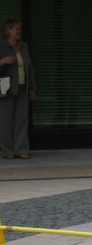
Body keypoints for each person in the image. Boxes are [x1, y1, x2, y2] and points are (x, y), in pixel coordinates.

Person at [0, 19, 36, 160]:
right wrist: (2, 61)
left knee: (22, 119)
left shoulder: (23, 46)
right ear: (8, 30)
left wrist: (32, 87)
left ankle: (21, 149)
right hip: (6, 88)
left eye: (19, 29)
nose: (19, 32)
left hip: (22, 87)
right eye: (16, 29)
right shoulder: (2, 46)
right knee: (5, 120)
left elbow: (29, 68)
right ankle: (7, 151)